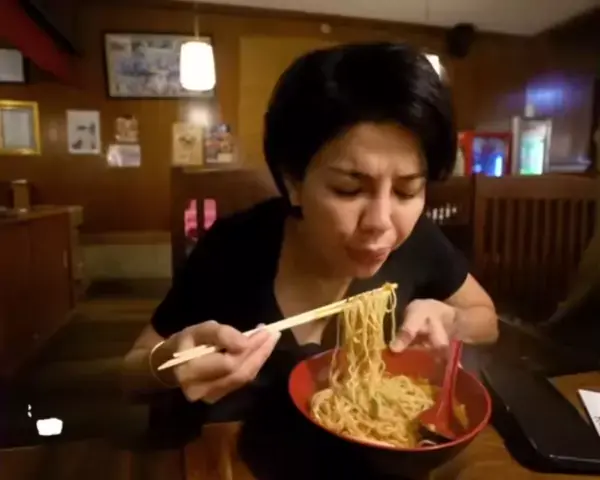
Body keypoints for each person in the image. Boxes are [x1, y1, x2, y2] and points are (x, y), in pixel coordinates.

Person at [123, 42, 497, 411]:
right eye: (348, 189)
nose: (381, 223)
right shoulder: (232, 248)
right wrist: (167, 364)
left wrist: (453, 322)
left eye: (406, 191)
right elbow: (130, 376)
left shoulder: (418, 241)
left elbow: (486, 318)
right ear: (293, 183)